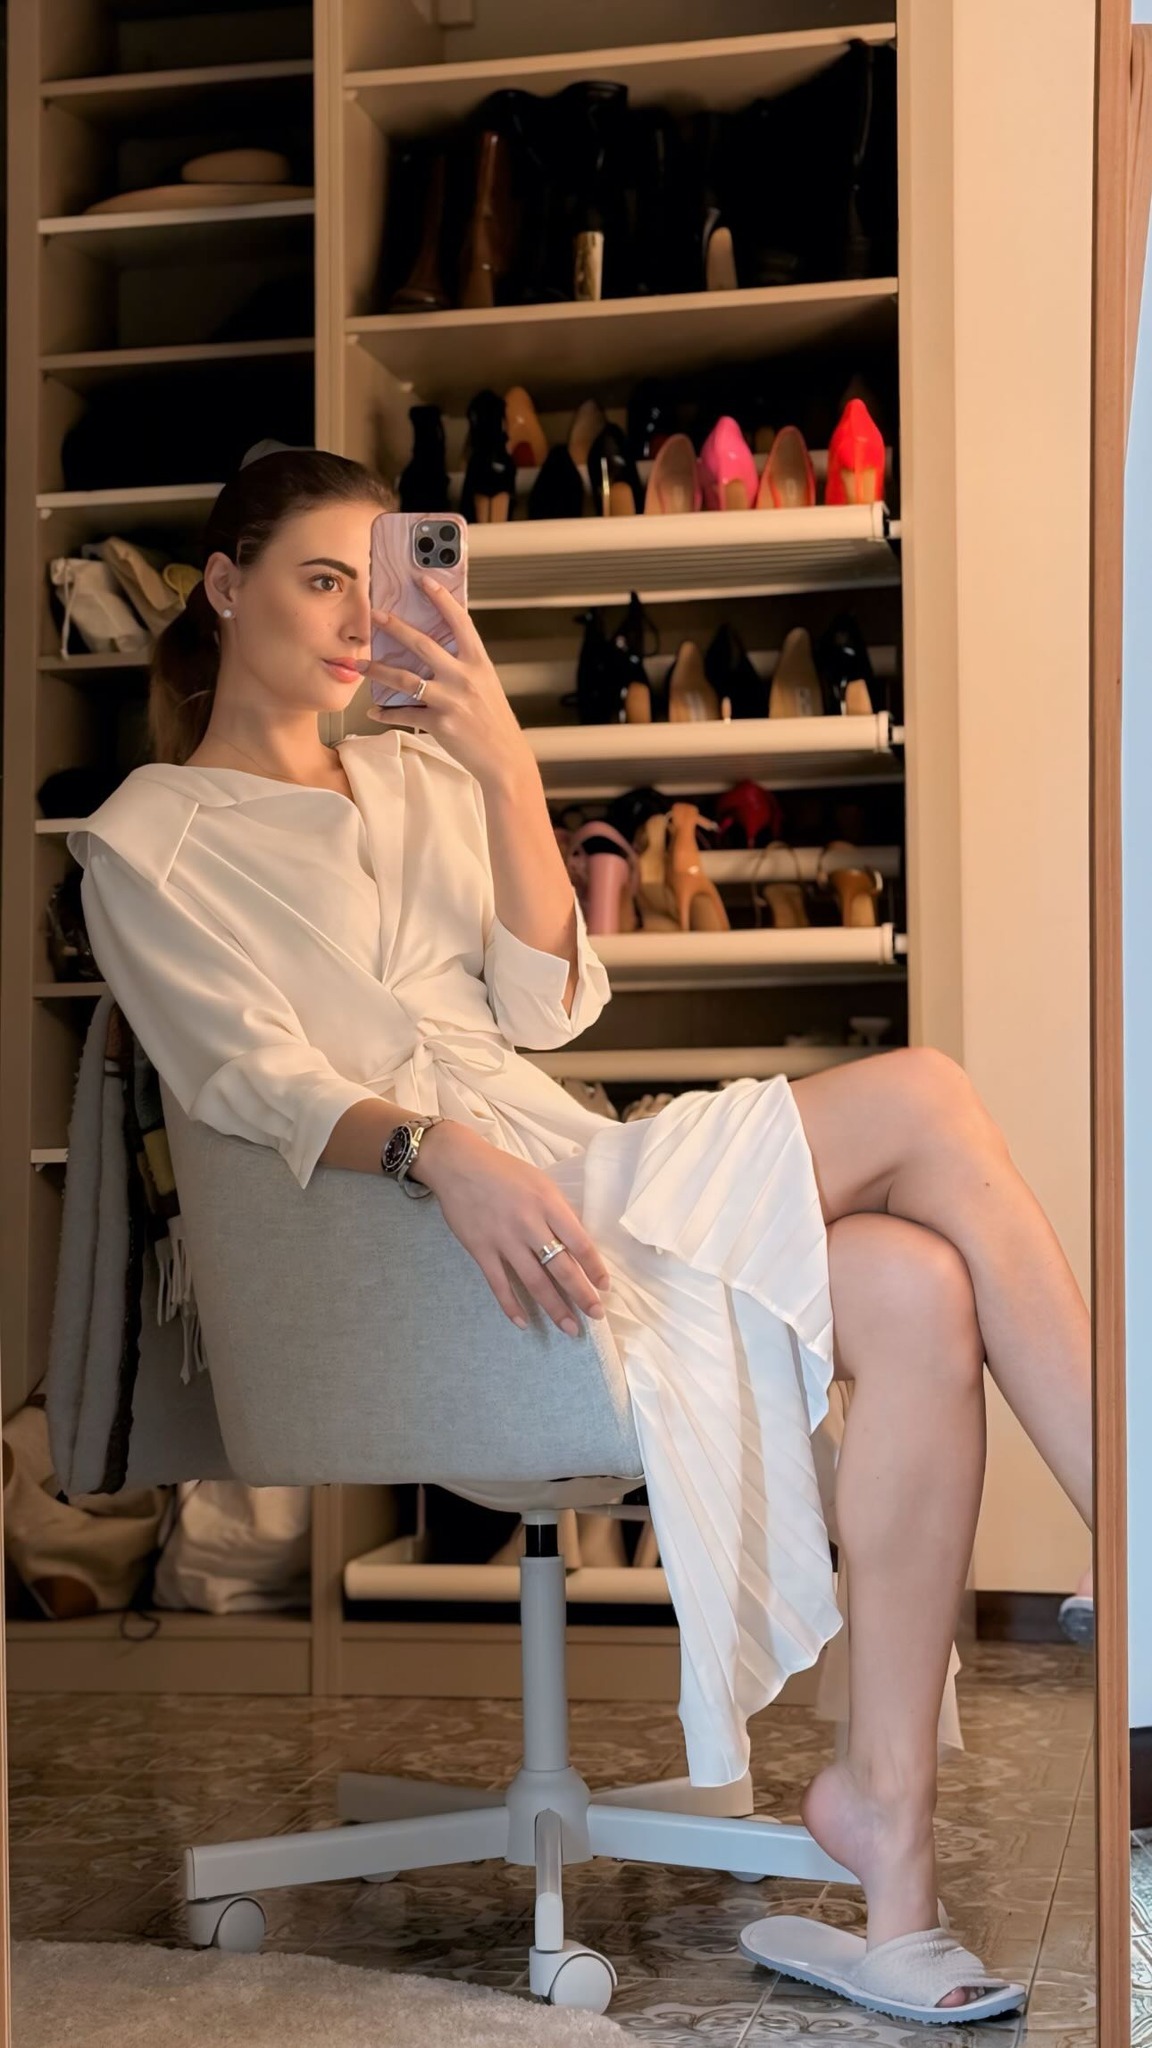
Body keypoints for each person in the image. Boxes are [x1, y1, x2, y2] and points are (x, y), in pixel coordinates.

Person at [67, 447, 1092, 2014]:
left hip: (551, 1170)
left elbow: (548, 1007)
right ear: (223, 587)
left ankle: (888, 1848)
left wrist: (500, 763)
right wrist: (438, 1154)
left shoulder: (417, 777)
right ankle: (1135, 1546)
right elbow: (249, 1080)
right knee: (932, 1097)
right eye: (321, 579)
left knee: (914, 1286)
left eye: (377, 584)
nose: (355, 621)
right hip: (428, 1241)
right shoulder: (149, 836)